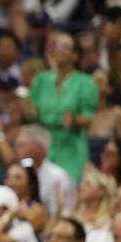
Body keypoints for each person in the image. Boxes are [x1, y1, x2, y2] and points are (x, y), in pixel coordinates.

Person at [28, 31, 98, 182]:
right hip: (43, 145)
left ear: (74, 55)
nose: (56, 50)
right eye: (53, 46)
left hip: (71, 147)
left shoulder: (86, 82)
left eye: (62, 46)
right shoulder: (40, 80)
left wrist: (75, 120)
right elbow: (32, 114)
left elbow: (88, 118)